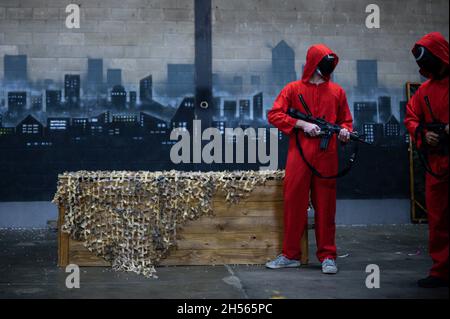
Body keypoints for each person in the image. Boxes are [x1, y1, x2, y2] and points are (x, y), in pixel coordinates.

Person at [266, 44, 353, 274]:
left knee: (326, 207)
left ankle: (327, 256)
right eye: (325, 60)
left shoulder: (337, 92)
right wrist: (302, 124)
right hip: (299, 156)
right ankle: (290, 254)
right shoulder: (292, 89)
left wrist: (344, 132)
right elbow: (274, 114)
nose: (329, 65)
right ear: (314, 62)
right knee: (294, 204)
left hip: (327, 156)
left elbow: (346, 122)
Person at [404, 32, 449, 288]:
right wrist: (423, 133)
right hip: (437, 163)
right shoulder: (424, 92)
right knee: (439, 218)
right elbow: (411, 117)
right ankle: (441, 270)